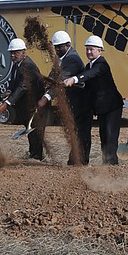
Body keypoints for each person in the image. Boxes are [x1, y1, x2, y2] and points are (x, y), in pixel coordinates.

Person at [63, 35, 123, 165]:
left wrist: (74, 79)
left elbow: (90, 75)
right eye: (87, 49)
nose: (89, 52)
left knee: (110, 137)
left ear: (99, 51)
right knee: (103, 136)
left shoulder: (101, 64)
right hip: (102, 108)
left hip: (112, 107)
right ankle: (106, 163)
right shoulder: (89, 66)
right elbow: (86, 83)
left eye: (92, 49)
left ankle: (111, 165)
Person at [38, 31, 92, 165]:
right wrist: (45, 84)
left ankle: (82, 161)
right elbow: (53, 75)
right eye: (55, 47)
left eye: (60, 47)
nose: (57, 50)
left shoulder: (72, 59)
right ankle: (74, 160)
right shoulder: (61, 57)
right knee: (75, 132)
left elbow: (60, 82)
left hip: (81, 103)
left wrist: (46, 97)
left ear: (68, 45)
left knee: (81, 133)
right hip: (71, 102)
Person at [0, 38, 46, 160]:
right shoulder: (17, 65)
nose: (13, 55)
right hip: (27, 105)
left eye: (16, 52)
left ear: (23, 52)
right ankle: (33, 153)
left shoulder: (28, 65)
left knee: (35, 131)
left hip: (36, 104)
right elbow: (14, 84)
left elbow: (22, 86)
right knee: (30, 130)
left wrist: (8, 102)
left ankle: (37, 157)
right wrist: (8, 91)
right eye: (11, 53)